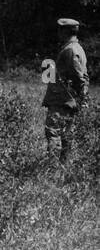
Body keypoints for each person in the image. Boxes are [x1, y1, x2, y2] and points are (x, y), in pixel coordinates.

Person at [42, 18, 88, 163]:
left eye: (60, 30)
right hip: (68, 100)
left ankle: (52, 169)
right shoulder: (77, 48)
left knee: (54, 133)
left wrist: (80, 97)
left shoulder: (70, 50)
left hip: (62, 100)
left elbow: (79, 76)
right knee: (66, 135)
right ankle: (63, 167)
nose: (58, 33)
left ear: (65, 31)